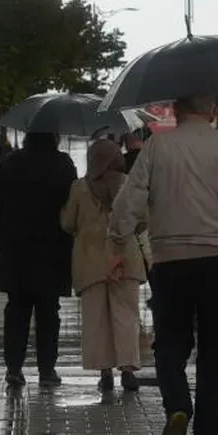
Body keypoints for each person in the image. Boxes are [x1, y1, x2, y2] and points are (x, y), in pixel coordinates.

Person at [109, 94, 218, 435]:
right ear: (212, 111)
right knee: (216, 347)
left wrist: (118, 241)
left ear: (175, 112)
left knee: (171, 341)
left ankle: (177, 406)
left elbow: (129, 200)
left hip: (169, 261)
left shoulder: (156, 147)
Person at [0, 131, 76, 388]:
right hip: (53, 249)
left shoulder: (10, 163)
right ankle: (47, 370)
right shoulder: (63, 164)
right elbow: (71, 205)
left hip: (16, 249)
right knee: (49, 312)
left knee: (16, 310)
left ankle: (14, 368)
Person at [61, 138, 144, 393]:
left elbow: (67, 223)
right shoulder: (129, 185)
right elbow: (143, 220)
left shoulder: (79, 188)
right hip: (125, 259)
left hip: (91, 260)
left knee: (96, 319)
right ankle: (128, 370)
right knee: (126, 315)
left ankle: (105, 372)